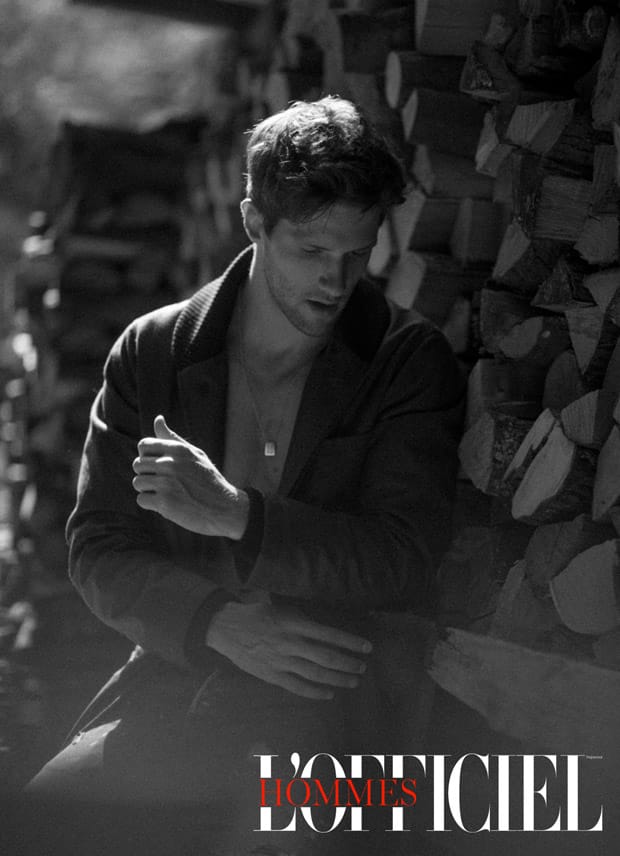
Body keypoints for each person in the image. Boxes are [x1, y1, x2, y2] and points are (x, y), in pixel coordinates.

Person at [24, 96, 464, 855]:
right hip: (179, 672)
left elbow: (403, 555)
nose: (336, 281)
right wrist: (214, 623)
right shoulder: (153, 352)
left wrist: (240, 516)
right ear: (254, 221)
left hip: (333, 699)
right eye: (311, 250)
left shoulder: (406, 359)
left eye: (357, 253)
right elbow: (98, 548)